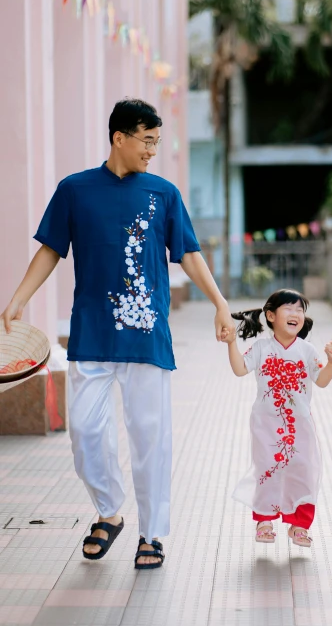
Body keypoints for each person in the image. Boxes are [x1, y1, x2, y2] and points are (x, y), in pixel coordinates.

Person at [1, 98, 234, 570]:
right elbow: (51, 248)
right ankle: (110, 510)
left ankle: (152, 533)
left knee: (150, 437)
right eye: (146, 141)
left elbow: (187, 254)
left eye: (156, 142)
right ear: (119, 138)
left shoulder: (164, 193)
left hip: (147, 338)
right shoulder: (75, 190)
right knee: (85, 432)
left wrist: (220, 302)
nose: (152, 150)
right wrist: (19, 297)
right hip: (91, 333)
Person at [222, 289, 332, 547]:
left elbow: (321, 381)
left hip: (300, 427)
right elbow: (240, 369)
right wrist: (232, 342)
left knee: (303, 470)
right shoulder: (262, 348)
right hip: (265, 425)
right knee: (268, 469)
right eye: (289, 309)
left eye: (300, 310)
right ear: (271, 316)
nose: (295, 314)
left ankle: (299, 525)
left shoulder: (307, 351)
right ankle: (264, 520)